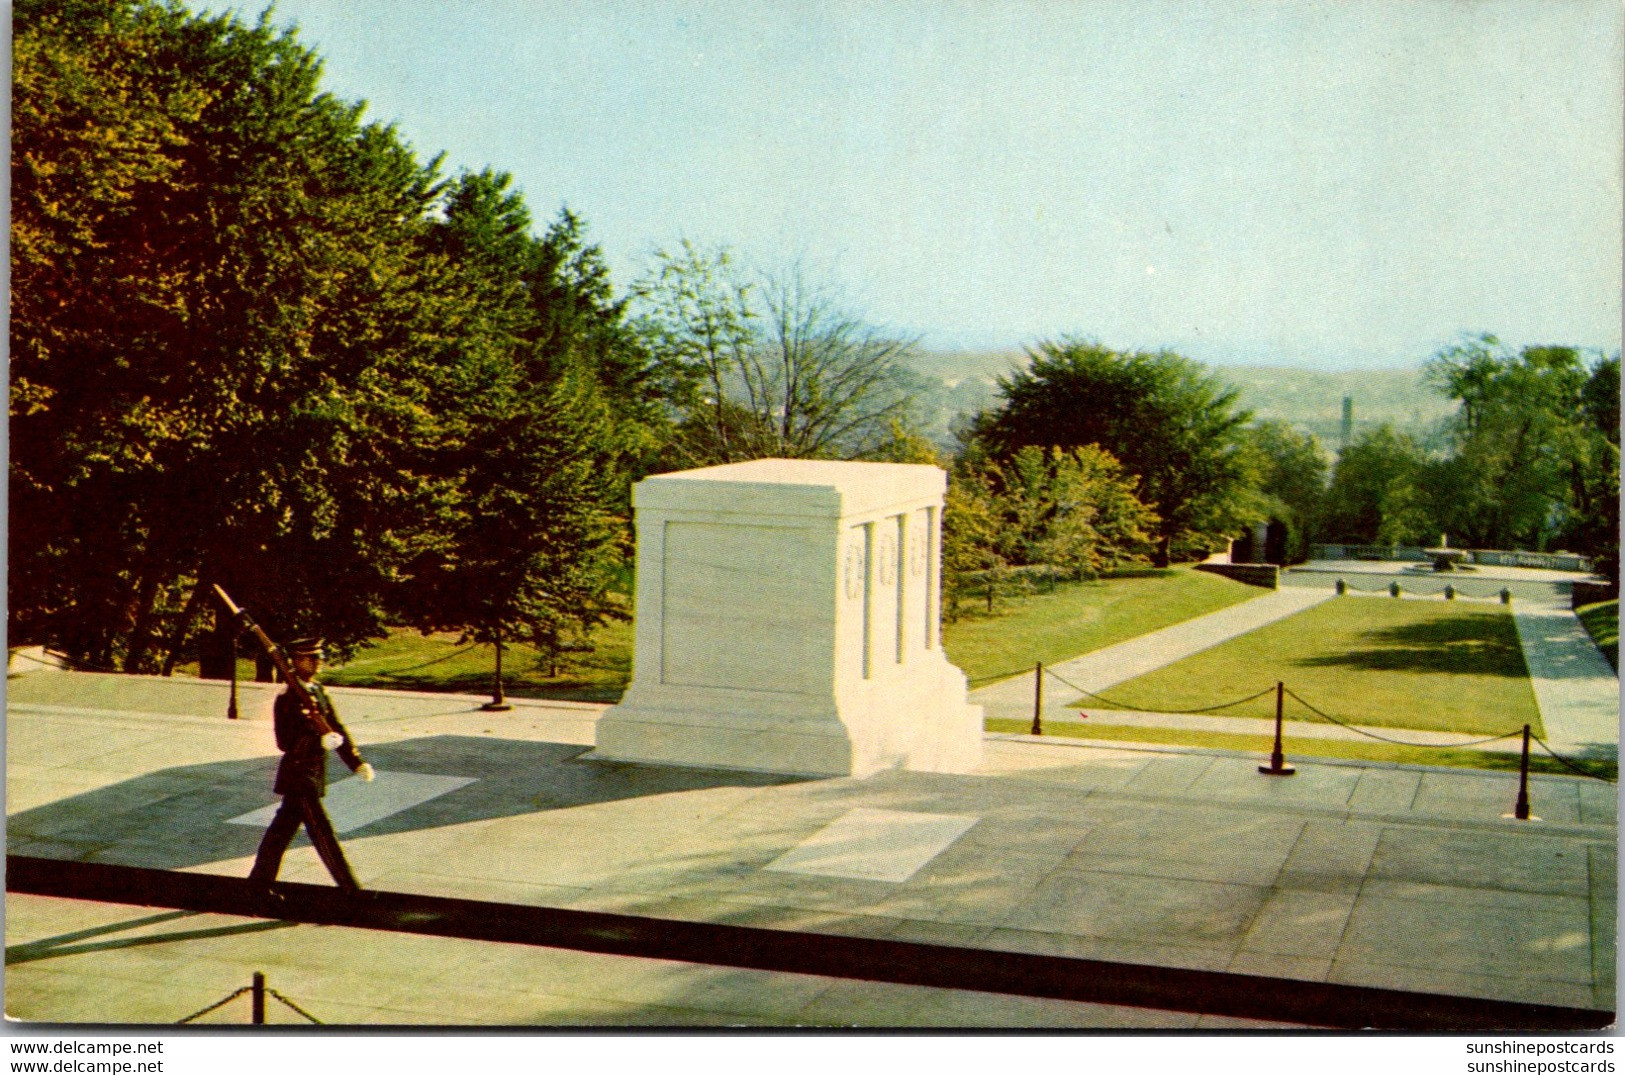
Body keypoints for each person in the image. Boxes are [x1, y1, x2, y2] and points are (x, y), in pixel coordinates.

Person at [248, 638, 375, 890]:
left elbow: (336, 728)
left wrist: (356, 762)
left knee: (280, 834)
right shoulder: (287, 697)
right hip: (299, 776)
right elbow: (284, 742)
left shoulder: (318, 691)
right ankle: (351, 889)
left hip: (313, 774)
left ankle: (258, 884)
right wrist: (316, 738)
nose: (316, 662)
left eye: (319, 657)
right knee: (322, 833)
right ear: (295, 661)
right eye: (309, 658)